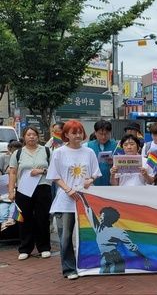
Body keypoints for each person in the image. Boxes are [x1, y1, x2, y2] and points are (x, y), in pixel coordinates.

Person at [46, 120, 101, 280]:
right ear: (66, 135)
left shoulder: (89, 152)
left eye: (80, 132)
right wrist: (68, 189)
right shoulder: (59, 152)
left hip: (85, 200)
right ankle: (69, 268)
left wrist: (90, 180)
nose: (78, 135)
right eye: (74, 132)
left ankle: (89, 264)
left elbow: (95, 173)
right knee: (66, 236)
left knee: (89, 233)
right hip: (65, 201)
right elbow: (55, 175)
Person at [7, 126, 52, 261]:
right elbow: (13, 172)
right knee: (24, 218)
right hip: (24, 189)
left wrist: (42, 171)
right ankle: (25, 248)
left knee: (42, 218)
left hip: (42, 187)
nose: (31, 137)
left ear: (38, 136)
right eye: (28, 135)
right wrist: (11, 190)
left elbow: (55, 170)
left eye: (34, 134)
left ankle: (44, 247)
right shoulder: (18, 153)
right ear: (24, 137)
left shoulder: (46, 151)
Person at [77, 193, 150, 273]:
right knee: (104, 277)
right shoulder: (98, 229)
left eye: (103, 215)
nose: (100, 217)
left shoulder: (118, 232)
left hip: (116, 259)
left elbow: (131, 247)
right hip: (104, 259)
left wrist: (143, 258)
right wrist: (82, 195)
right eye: (100, 215)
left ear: (108, 217)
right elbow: (88, 210)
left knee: (117, 279)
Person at [86, 120, 117, 186]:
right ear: (95, 133)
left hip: (112, 184)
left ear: (110, 133)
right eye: (101, 134)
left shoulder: (117, 146)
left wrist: (114, 162)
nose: (103, 137)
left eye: (106, 134)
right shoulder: (87, 146)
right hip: (93, 184)